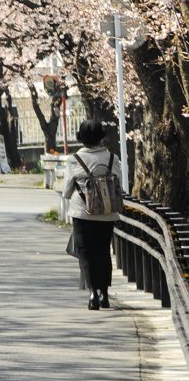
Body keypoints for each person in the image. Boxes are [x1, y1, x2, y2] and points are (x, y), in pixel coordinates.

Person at [62, 119, 123, 311]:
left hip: (83, 213)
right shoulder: (112, 158)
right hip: (107, 213)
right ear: (100, 139)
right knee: (103, 252)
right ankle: (104, 293)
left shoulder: (74, 160)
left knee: (86, 254)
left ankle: (92, 293)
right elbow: (119, 184)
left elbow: (66, 191)